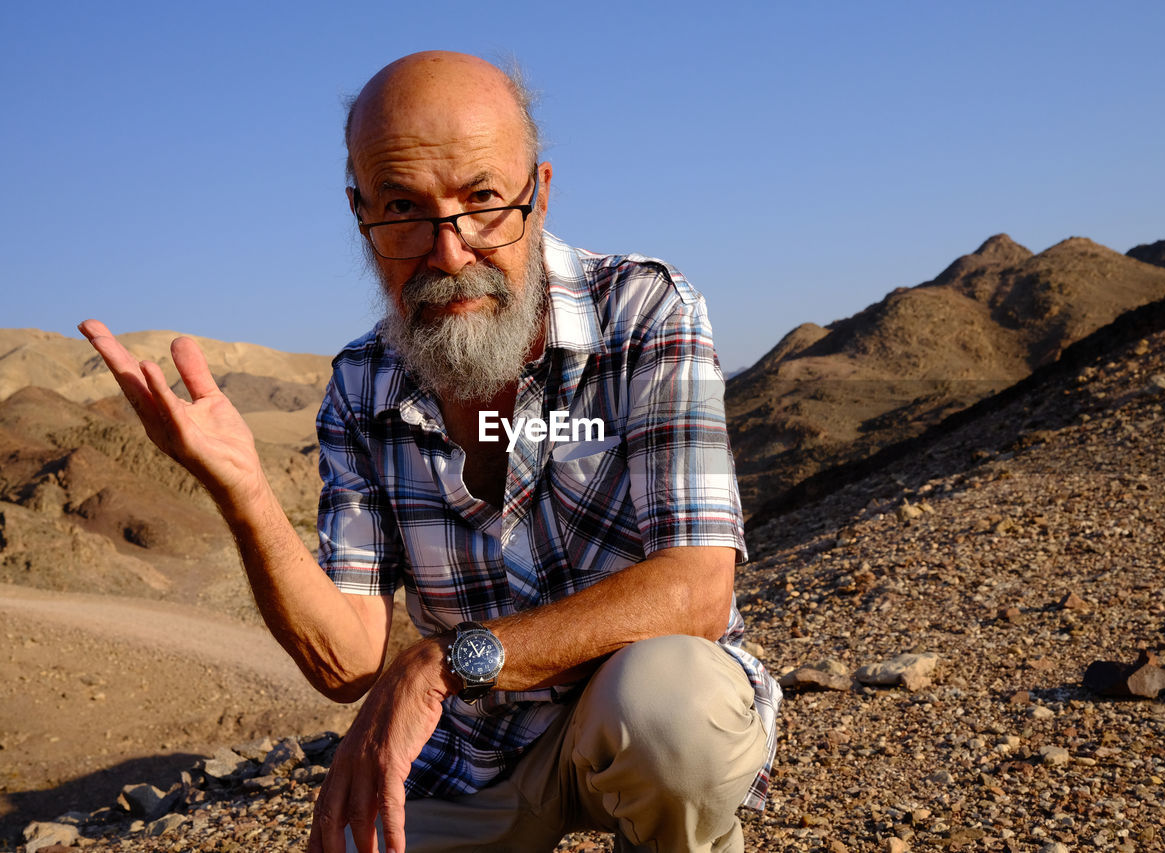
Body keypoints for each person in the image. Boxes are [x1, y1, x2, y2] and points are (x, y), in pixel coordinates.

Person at [79, 51, 779, 853]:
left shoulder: (646, 312)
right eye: (403, 209)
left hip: (632, 714)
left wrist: (449, 660)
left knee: (670, 713)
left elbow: (697, 589)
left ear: (538, 194)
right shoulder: (361, 387)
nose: (448, 254)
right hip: (473, 750)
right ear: (360, 215)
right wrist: (243, 492)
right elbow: (345, 662)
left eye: (482, 201)